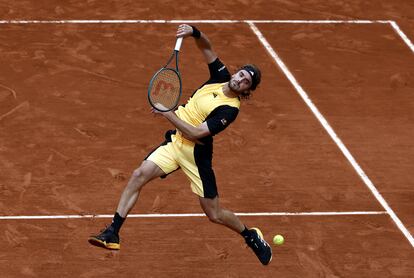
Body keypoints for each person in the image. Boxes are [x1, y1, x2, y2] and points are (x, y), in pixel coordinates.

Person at [88, 24, 272, 265]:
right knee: (138, 175)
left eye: (246, 81)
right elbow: (207, 46)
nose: (240, 80)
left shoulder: (230, 110)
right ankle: (113, 232)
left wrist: (168, 113)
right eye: (241, 75)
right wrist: (194, 32)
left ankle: (250, 235)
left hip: (196, 155)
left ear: (247, 90)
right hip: (175, 143)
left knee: (214, 214)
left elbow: (197, 133)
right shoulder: (220, 76)